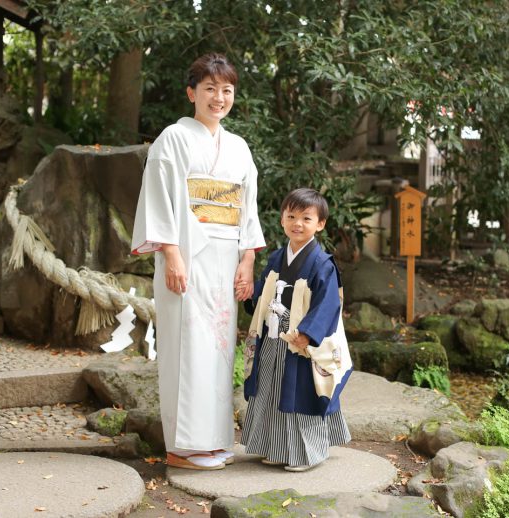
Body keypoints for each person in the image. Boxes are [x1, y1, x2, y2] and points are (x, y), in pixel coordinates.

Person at [131, 53, 265, 470]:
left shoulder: (239, 148)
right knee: (186, 348)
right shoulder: (172, 138)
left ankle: (213, 440)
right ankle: (182, 447)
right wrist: (171, 255)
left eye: (226, 90)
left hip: (226, 259)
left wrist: (246, 261)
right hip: (187, 255)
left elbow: (248, 208)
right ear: (192, 93)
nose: (218, 97)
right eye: (209, 88)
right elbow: (159, 201)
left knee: (220, 350)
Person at [241, 188, 353, 472]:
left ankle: (307, 454)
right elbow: (265, 294)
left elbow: (329, 304)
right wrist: (249, 295)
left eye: (306, 218)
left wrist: (308, 333)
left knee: (301, 393)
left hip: (301, 342)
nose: (297, 223)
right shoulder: (278, 258)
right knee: (270, 389)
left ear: (320, 224)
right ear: (281, 220)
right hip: (274, 337)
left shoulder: (322, 263)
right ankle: (276, 448)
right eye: (291, 216)